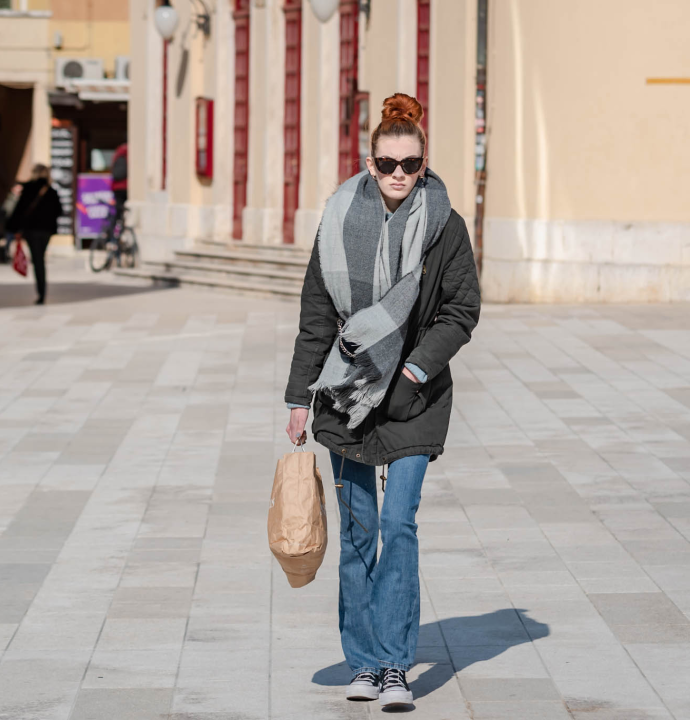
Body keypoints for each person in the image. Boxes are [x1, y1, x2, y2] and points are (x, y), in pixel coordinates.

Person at [284, 93, 480, 709]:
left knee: (398, 525)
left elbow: (461, 309)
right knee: (359, 531)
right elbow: (318, 312)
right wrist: (298, 395)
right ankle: (364, 662)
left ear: (425, 163)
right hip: (348, 394)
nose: (400, 174)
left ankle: (397, 665)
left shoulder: (445, 224)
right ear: (370, 163)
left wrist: (417, 371)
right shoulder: (339, 217)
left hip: (416, 397)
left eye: (411, 164)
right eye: (388, 163)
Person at [6, 165, 62, 305]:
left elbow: (20, 210)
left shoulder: (29, 189)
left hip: (32, 230)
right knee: (39, 259)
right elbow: (59, 211)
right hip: (46, 231)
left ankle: (41, 293)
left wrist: (13, 228)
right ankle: (42, 292)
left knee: (38, 260)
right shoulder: (51, 191)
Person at [109, 142, 127, 230]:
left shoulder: (117, 155)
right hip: (124, 188)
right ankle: (116, 232)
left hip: (117, 188)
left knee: (117, 212)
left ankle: (112, 232)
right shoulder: (126, 155)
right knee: (121, 212)